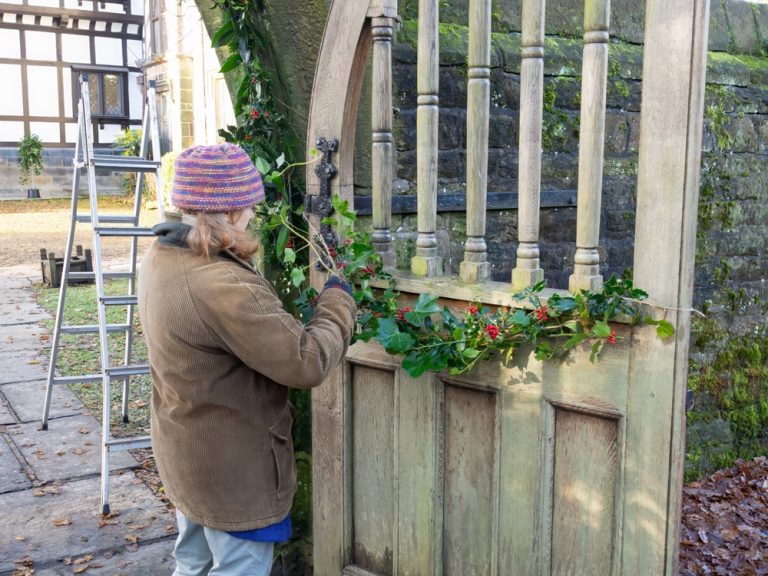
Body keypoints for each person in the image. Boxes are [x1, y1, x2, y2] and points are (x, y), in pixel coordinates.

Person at [137, 144, 356, 575]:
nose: (254, 213)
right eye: (249, 205)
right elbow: (306, 362)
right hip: (233, 475)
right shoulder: (219, 283)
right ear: (230, 210)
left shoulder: (160, 256)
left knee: (192, 564)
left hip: (186, 455)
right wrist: (338, 301)